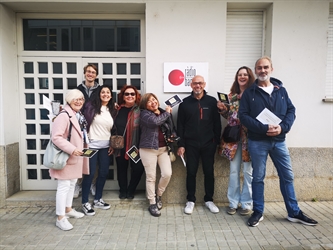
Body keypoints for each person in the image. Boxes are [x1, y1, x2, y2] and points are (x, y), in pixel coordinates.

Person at [239, 56, 318, 227]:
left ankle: (294, 212)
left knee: (287, 176)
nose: (263, 71)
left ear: (271, 69)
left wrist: (283, 127)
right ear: (256, 70)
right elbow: (243, 116)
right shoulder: (249, 93)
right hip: (258, 141)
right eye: (259, 68)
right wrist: (263, 128)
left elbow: (291, 110)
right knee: (258, 177)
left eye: (266, 67)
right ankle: (258, 211)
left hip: (279, 141)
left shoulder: (281, 90)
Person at [177, 75, 221, 215]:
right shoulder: (185, 103)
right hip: (191, 144)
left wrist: (217, 142)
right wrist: (181, 144)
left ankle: (209, 200)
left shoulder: (212, 101)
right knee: (191, 172)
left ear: (204, 84)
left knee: (209, 172)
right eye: (195, 83)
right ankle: (190, 200)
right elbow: (180, 126)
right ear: (191, 85)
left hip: (209, 144)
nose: (198, 86)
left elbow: (217, 124)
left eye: (200, 83)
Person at [217, 66, 255, 216]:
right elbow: (229, 117)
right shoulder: (231, 96)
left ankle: (246, 203)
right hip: (233, 140)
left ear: (250, 76)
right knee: (233, 171)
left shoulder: (254, 94)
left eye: (245, 74)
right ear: (236, 77)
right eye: (240, 74)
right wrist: (222, 109)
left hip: (250, 139)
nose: (242, 77)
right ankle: (233, 202)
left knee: (248, 172)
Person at [49, 89, 89, 231]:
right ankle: (60, 218)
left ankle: (68, 209)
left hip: (75, 156)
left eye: (81, 99)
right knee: (64, 186)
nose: (79, 102)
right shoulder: (64, 115)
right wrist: (72, 149)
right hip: (67, 156)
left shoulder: (76, 114)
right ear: (69, 100)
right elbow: (56, 137)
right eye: (76, 99)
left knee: (72, 183)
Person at [81, 85, 114, 216]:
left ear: (111, 96)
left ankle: (98, 199)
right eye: (103, 92)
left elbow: (113, 128)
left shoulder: (111, 109)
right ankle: (84, 202)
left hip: (106, 146)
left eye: (108, 92)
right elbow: (82, 122)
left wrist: (112, 143)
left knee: (104, 172)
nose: (105, 94)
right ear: (99, 94)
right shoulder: (90, 106)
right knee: (89, 173)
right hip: (91, 146)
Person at [139, 93, 173, 217]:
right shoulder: (144, 114)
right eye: (149, 101)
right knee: (151, 177)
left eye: (154, 99)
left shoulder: (164, 112)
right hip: (148, 149)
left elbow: (171, 128)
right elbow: (155, 122)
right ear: (145, 105)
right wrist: (167, 113)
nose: (153, 102)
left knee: (167, 173)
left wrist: (172, 137)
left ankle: (159, 195)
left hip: (163, 149)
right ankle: (152, 203)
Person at [112, 85, 144, 199]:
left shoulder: (140, 110)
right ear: (123, 96)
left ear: (136, 96)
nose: (129, 96)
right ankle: (123, 190)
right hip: (120, 146)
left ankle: (131, 190)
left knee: (138, 168)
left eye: (132, 94)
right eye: (127, 94)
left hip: (134, 146)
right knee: (121, 169)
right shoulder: (117, 110)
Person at [74, 64, 101, 198]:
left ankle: (92, 183)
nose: (90, 74)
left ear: (96, 75)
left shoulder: (100, 89)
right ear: (84, 73)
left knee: (93, 159)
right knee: (80, 156)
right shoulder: (78, 89)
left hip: (95, 128)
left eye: (93, 72)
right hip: (80, 128)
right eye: (88, 72)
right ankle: (78, 184)